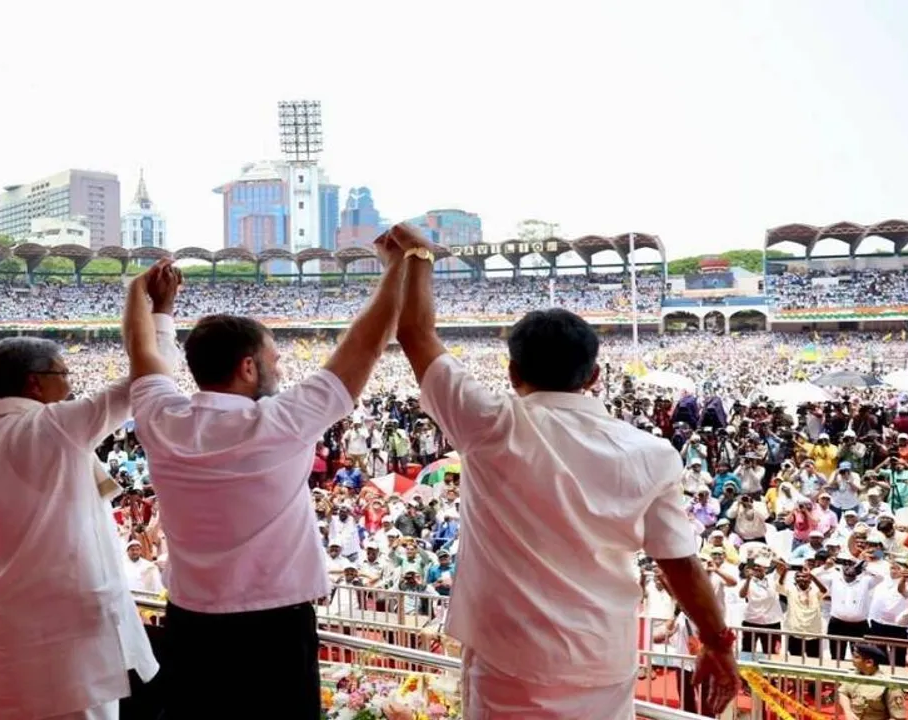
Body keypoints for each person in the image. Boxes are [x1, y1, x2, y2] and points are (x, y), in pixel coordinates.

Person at [390, 228, 739, 719]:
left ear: (512, 374)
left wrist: (418, 256)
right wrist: (718, 642)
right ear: (594, 377)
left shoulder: (489, 424)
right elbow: (679, 563)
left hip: (507, 659)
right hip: (601, 655)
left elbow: (415, 334)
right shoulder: (653, 453)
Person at [123, 234, 408, 718]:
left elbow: (142, 352)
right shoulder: (281, 421)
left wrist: (145, 297)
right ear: (248, 366)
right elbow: (366, 343)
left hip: (191, 624)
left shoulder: (161, 418)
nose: (280, 367)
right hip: (274, 629)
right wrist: (399, 266)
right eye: (274, 358)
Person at [0, 268, 177, 720]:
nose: (70, 384)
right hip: (70, 630)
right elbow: (149, 379)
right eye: (63, 373)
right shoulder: (56, 427)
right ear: (34, 383)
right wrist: (157, 308)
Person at [837, 645, 906, 720]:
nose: (852, 660)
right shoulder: (854, 675)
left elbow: (898, 718)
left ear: (869, 662)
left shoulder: (889, 685)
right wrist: (848, 712)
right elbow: (843, 692)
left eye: (856, 657)